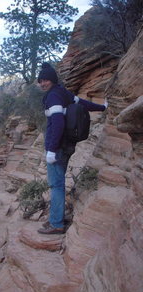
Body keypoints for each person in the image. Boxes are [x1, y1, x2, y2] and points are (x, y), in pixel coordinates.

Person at [37, 62, 107, 234]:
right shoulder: (63, 93)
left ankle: (56, 224)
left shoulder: (53, 96)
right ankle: (57, 217)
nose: (42, 83)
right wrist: (102, 107)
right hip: (68, 145)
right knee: (59, 184)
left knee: (56, 185)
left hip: (58, 148)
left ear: (52, 80)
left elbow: (58, 122)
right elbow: (83, 103)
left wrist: (51, 150)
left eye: (45, 80)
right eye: (40, 81)